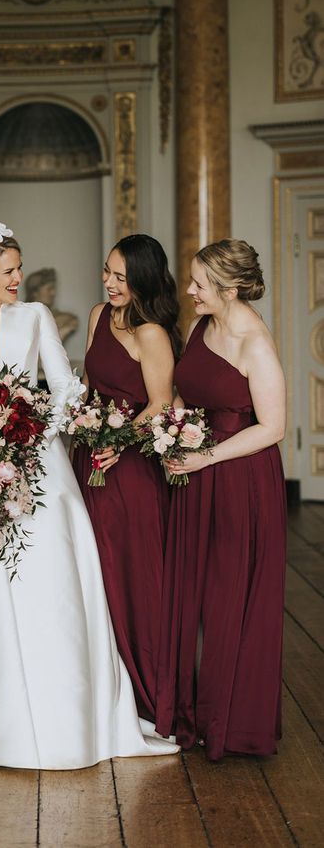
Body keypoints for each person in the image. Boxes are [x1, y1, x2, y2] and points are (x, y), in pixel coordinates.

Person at [0, 219, 179, 769]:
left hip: (38, 459)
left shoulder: (36, 318)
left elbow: (64, 387)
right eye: (8, 271)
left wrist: (25, 429)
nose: (19, 278)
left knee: (49, 575)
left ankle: (69, 709)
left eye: (19, 269)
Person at [155, 239, 287, 760]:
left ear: (229, 289)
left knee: (232, 594)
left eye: (199, 284)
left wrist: (205, 457)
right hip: (194, 470)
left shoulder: (256, 342)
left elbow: (274, 428)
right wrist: (174, 433)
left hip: (239, 479)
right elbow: (188, 390)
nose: (189, 291)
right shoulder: (199, 327)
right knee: (192, 591)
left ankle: (232, 723)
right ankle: (190, 711)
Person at [73, 234, 180, 722]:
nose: (110, 283)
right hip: (89, 458)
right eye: (106, 272)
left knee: (133, 575)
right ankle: (101, 686)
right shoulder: (98, 316)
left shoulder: (152, 333)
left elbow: (159, 403)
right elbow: (90, 386)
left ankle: (147, 693)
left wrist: (118, 441)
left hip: (132, 468)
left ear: (142, 280)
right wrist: (82, 426)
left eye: (121, 277)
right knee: (90, 570)